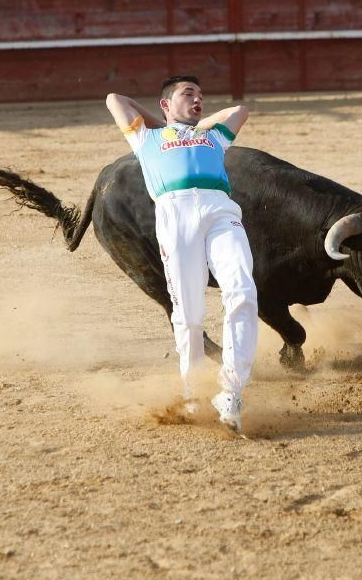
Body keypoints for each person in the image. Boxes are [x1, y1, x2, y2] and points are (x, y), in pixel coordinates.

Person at [105, 76, 258, 432]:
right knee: (188, 312)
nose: (198, 99)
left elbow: (241, 109)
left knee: (242, 290)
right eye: (188, 94)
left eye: (201, 96)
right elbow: (116, 97)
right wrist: (164, 124)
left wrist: (197, 126)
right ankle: (192, 391)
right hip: (175, 215)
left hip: (220, 210)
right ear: (165, 103)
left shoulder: (214, 136)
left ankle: (231, 390)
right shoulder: (146, 137)